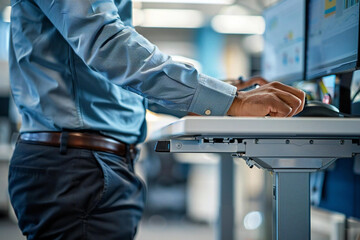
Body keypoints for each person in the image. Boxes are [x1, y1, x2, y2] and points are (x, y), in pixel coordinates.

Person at [7, 0, 305, 239]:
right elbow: (109, 46)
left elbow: (118, 84)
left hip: (89, 166)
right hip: (75, 168)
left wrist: (223, 91)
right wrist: (230, 101)